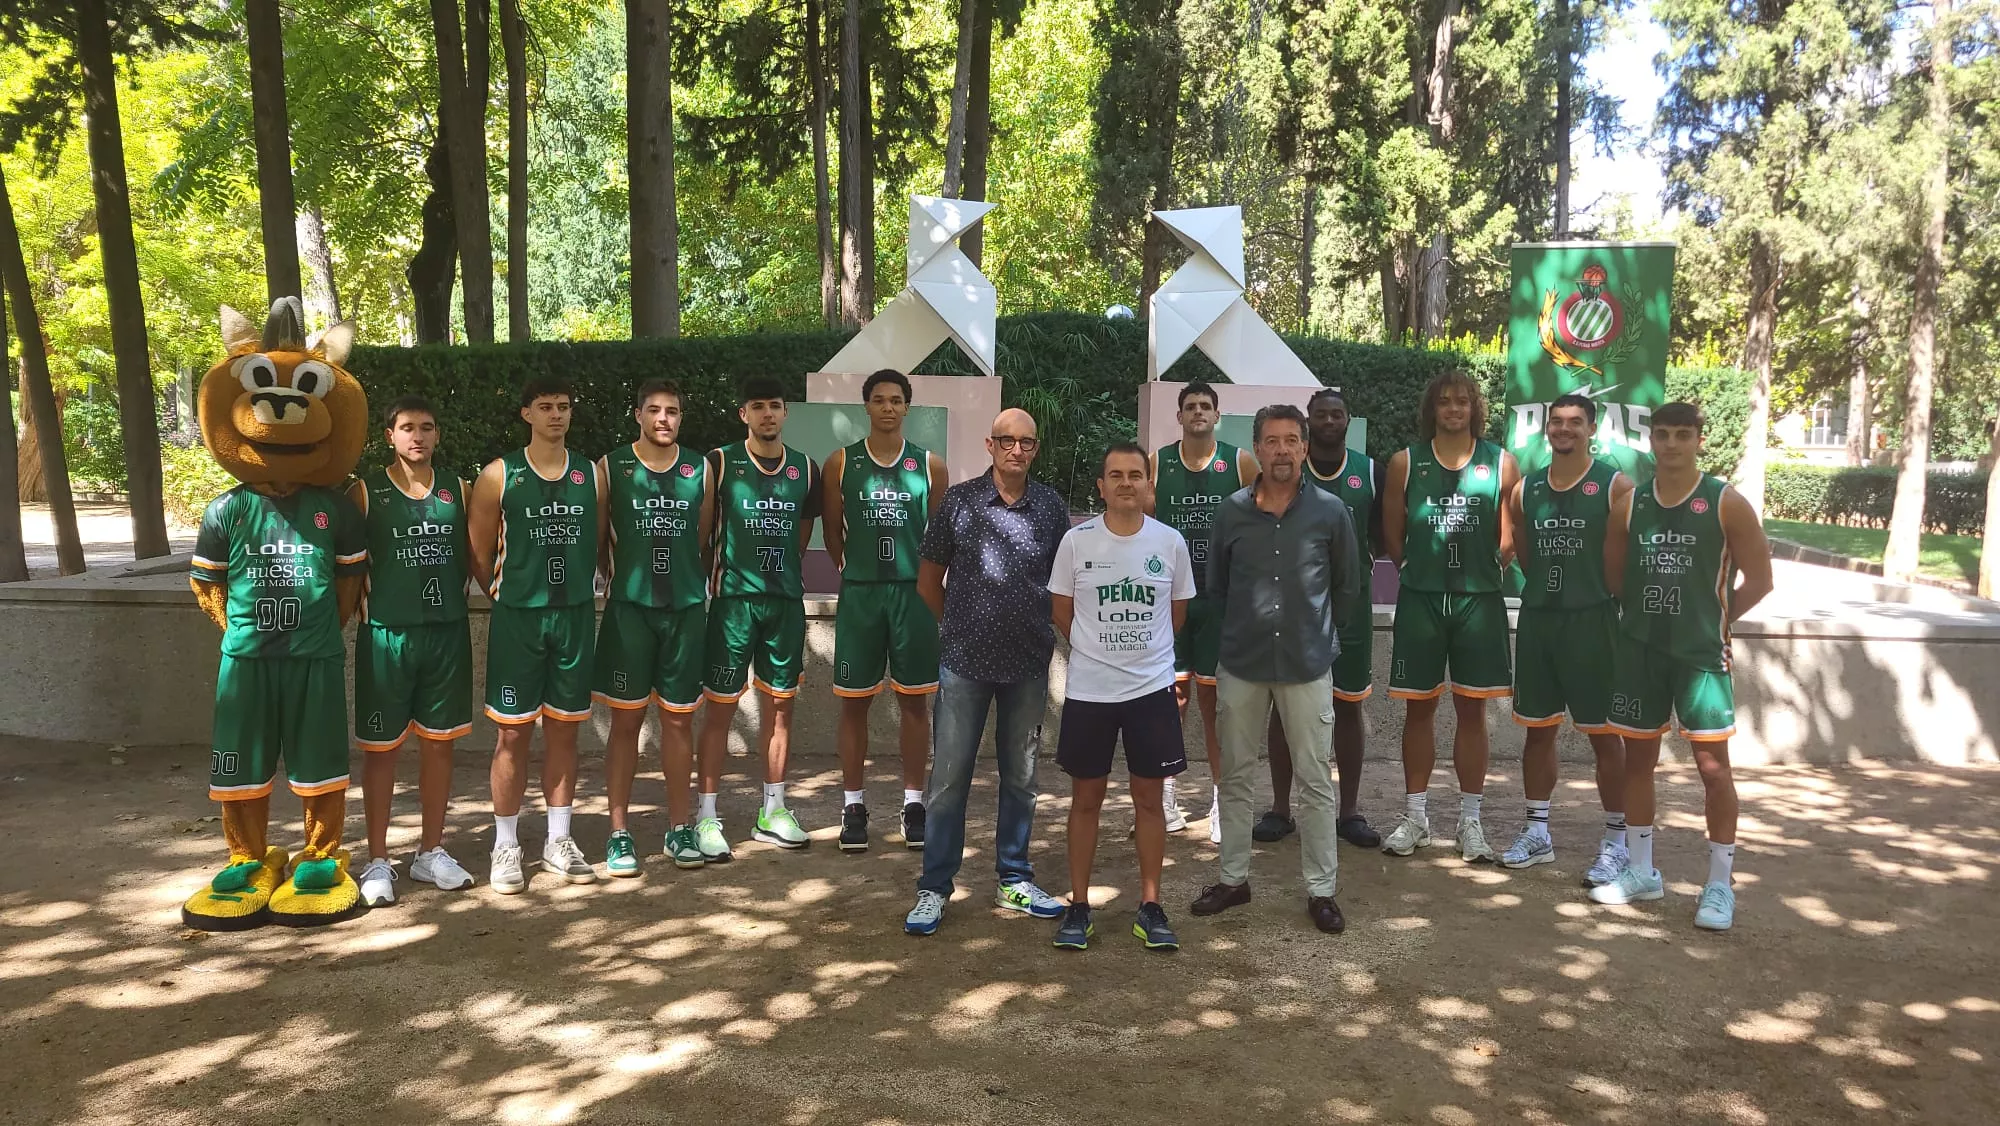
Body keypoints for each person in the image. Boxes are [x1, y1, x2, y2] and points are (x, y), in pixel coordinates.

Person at [1589, 402, 1772, 931]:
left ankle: (1719, 884)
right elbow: (1616, 576)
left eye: (1682, 435)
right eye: (1663, 435)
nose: (1671, 444)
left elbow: (1759, 580)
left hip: (1699, 656)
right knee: (1637, 762)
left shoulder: (1725, 503)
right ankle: (1643, 872)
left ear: (1699, 440)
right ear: (1651, 441)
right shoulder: (1629, 504)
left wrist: (1716, 620)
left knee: (1713, 769)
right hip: (1641, 651)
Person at [1190, 404, 1361, 936]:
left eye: (1292, 440)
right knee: (1236, 773)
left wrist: (1319, 636)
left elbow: (1347, 588)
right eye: (1272, 441)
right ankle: (1234, 880)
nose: (1282, 450)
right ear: (1257, 450)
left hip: (1308, 664)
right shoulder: (1231, 512)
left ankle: (1321, 890)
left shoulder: (1332, 512)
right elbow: (1216, 587)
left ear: (1304, 449)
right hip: (1242, 662)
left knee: (1315, 780)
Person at [903, 408, 1072, 936]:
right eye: (1006, 441)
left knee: (1021, 778)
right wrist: (956, 628)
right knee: (949, 780)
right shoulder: (959, 502)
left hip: (1027, 664)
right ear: (989, 444)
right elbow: (929, 582)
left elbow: (1063, 582)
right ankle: (934, 887)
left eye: (1026, 443)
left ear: (1036, 450)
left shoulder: (1050, 507)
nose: (1016, 450)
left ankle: (1014, 878)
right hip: (965, 665)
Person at [1049, 442, 1194, 951]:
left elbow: (1175, 615)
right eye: (1116, 475)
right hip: (1091, 690)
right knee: (1084, 800)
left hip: (1150, 690)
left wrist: (1142, 656)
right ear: (1101, 486)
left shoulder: (1171, 542)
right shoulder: (1076, 542)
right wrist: (1098, 651)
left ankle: (1151, 907)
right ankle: (1080, 906)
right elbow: (1062, 610)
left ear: (1149, 484)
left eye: (1136, 474)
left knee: (1149, 801)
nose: (1126, 483)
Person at [468, 376, 606, 894]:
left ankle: (558, 839)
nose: (556, 415)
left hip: (572, 615)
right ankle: (506, 844)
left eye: (564, 406)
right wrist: (508, 593)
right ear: (526, 413)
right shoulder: (499, 475)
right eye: (545, 406)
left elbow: (596, 542)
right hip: (519, 618)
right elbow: (479, 553)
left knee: (567, 731)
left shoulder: (590, 474)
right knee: (512, 733)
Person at [1380, 370, 1520, 863]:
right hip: (1421, 599)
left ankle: (1470, 821)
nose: (1454, 409)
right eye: (1445, 402)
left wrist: (1488, 569)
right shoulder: (1406, 462)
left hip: (1477, 600)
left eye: (1463, 401)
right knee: (1417, 710)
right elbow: (1392, 534)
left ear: (1475, 408)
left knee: (1472, 711)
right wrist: (1418, 571)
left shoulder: (1501, 462)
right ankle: (1415, 817)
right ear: (1432, 409)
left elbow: (1510, 535)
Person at [1499, 393, 1634, 883]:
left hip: (1594, 621)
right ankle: (1537, 832)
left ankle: (1617, 842)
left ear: (1591, 429)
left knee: (1604, 735)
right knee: (1538, 729)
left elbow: (1627, 560)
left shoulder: (1614, 486)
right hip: (1540, 619)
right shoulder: (1526, 489)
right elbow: (1526, 553)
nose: (1564, 429)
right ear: (1547, 429)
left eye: (1575, 422)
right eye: (1556, 422)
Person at [352, 396, 477, 905]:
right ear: (390, 436)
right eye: (407, 428)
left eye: (427, 427)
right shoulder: (365, 492)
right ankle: (378, 859)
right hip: (386, 634)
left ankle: (431, 851)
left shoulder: (459, 489)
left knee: (440, 744)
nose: (417, 436)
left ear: (438, 435)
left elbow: (474, 556)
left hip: (446, 633)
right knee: (381, 751)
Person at [591, 379, 715, 874]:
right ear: (638, 415)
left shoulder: (698, 469)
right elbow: (601, 540)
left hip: (684, 610)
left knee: (679, 720)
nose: (664, 419)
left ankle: (680, 828)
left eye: (673, 412)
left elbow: (702, 539)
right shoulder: (612, 466)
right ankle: (618, 833)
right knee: (625, 724)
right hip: (630, 612)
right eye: (655, 410)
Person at [693, 376, 821, 857]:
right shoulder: (720, 462)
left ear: (785, 413)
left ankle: (772, 810)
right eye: (758, 406)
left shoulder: (805, 470)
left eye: (776, 405)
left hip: (785, 601)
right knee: (721, 708)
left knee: (782, 707)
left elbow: (801, 533)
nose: (768, 414)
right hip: (732, 603)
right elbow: (704, 533)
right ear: (743, 413)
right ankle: (707, 815)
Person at [822, 369, 947, 852]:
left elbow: (938, 538)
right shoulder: (841, 463)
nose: (888, 407)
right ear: (867, 407)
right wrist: (855, 570)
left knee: (915, 702)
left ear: (907, 407)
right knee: (853, 702)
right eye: (879, 400)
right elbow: (832, 534)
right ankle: (853, 804)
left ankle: (913, 802)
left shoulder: (930, 466)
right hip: (862, 594)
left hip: (912, 596)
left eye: (896, 400)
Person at [1256, 388, 1383, 849]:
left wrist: (1350, 566)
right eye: (1321, 414)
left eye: (1338, 413)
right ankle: (1279, 808)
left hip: (1349, 607)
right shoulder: (1288, 471)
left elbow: (1384, 536)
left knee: (1349, 704)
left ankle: (1348, 811)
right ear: (1309, 423)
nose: (1330, 420)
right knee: (1283, 706)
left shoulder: (1369, 471)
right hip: (1291, 608)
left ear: (1348, 420)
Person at [1147, 380, 1257, 843]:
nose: (1197, 412)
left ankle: (1218, 802)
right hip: (1171, 599)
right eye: (1190, 406)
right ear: (1179, 416)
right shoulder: (1157, 463)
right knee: (1170, 700)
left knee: (1215, 706)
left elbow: (1263, 522)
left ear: (1216, 415)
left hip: (1220, 601)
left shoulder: (1238, 461)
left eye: (1205, 406)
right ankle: (1166, 797)